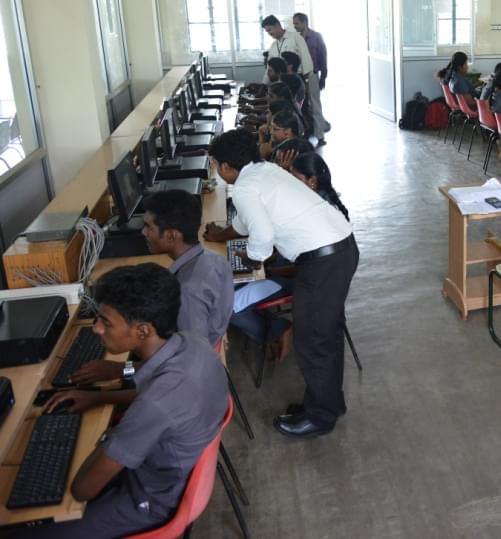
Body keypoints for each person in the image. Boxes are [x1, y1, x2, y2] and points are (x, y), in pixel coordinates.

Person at [18, 264, 227, 538]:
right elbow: (156, 398)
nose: (96, 328)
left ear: (142, 331)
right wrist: (99, 398)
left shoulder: (154, 407)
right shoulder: (192, 343)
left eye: (106, 321)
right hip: (168, 474)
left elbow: (82, 490)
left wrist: (106, 435)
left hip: (149, 502)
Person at [203, 130, 358, 439]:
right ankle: (328, 403)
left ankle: (321, 417)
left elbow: (260, 233)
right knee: (324, 335)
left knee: (314, 340)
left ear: (225, 167)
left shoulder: (245, 187)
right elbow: (248, 220)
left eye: (216, 166)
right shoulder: (265, 171)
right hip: (340, 247)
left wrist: (255, 260)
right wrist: (221, 235)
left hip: (321, 261)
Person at [71, 191, 234, 386]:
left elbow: (188, 361)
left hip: (191, 373)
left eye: (149, 227)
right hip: (205, 345)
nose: (143, 232)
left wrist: (120, 369)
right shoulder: (212, 258)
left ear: (171, 236)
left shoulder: (188, 291)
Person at [261, 15, 328, 145]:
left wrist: (307, 79)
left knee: (314, 106)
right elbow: (270, 67)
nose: (270, 34)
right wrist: (264, 84)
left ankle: (320, 136)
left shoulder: (295, 37)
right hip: (288, 82)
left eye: (270, 30)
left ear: (277, 25)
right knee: (297, 110)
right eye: (267, 32)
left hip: (304, 76)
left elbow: (305, 57)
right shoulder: (274, 45)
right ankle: (300, 135)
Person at [293, 12, 328, 93]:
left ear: (304, 22)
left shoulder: (316, 37)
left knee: (314, 102)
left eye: (296, 24)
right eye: (294, 24)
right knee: (303, 102)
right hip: (300, 75)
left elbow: (323, 57)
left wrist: (323, 77)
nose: (294, 26)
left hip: (313, 75)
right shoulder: (296, 38)